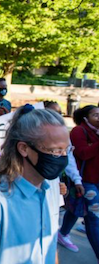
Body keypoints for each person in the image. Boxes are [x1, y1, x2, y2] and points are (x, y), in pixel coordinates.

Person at [0, 105, 69, 264]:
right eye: (55, 151)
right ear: (24, 148)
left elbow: (49, 245)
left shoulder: (50, 190)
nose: (63, 158)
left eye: (66, 150)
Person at [58, 105, 99, 260]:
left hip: (96, 181)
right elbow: (83, 153)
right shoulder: (78, 131)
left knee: (76, 209)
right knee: (93, 219)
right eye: (95, 115)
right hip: (86, 182)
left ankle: (62, 233)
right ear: (85, 118)